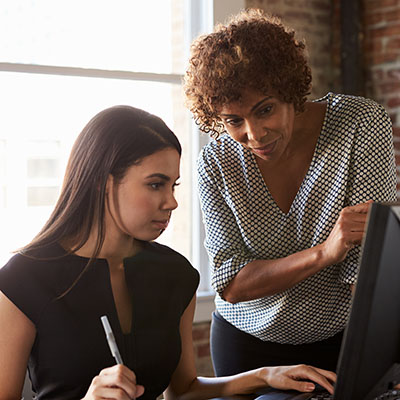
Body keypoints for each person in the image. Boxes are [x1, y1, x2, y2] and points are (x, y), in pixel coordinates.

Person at [0, 105, 337, 399]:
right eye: (155, 184)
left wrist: (265, 376)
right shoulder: (23, 279)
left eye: (173, 185)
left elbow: (185, 389)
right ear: (103, 180)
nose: (172, 202)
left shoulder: (175, 275)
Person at [183, 8, 398, 377]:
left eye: (264, 109)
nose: (255, 134)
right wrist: (325, 252)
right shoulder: (215, 163)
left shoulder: (360, 123)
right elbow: (231, 282)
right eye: (234, 120)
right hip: (245, 347)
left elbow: (365, 268)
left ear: (290, 90)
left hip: (342, 340)